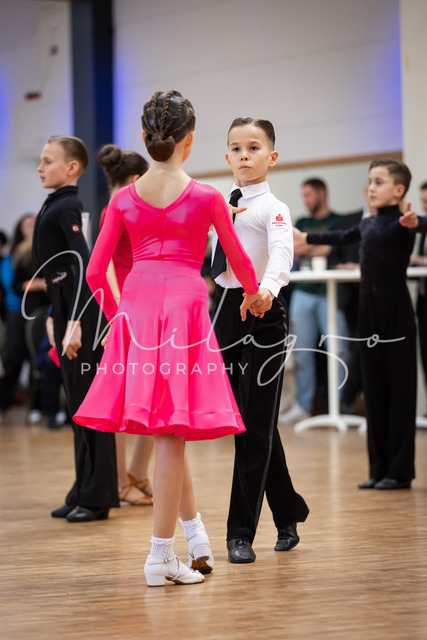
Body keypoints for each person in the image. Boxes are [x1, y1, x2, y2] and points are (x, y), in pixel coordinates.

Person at [74, 90, 262, 586]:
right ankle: (160, 556)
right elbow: (239, 261)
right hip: (184, 309)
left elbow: (94, 273)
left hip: (138, 308)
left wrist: (118, 319)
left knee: (168, 432)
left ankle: (195, 537)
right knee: (171, 434)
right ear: (189, 141)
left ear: (144, 137)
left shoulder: (122, 200)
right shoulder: (207, 197)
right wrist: (255, 295)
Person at [211, 117, 309, 564]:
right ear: (227, 156)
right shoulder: (219, 205)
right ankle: (288, 510)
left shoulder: (275, 207)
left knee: (253, 423)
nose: (244, 155)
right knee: (250, 421)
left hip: (264, 314)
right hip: (226, 315)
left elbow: (282, 252)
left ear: (272, 157)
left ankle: (240, 532)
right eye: (236, 148)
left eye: (253, 148)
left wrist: (266, 290)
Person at [294, 158, 418, 490]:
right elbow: (339, 236)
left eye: (379, 182)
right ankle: (378, 469)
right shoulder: (367, 224)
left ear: (399, 190)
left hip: (395, 311)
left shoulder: (403, 222)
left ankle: (399, 471)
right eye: (370, 181)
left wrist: (416, 220)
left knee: (399, 389)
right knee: (374, 388)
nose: (371, 188)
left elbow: (420, 224)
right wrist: (304, 235)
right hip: (368, 309)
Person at [33, 135, 119, 521]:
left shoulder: (69, 204)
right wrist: (55, 314)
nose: (40, 168)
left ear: (72, 168)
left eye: (48, 161)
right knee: (78, 408)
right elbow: (59, 272)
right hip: (66, 308)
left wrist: (75, 322)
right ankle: (82, 488)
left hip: (82, 316)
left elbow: (83, 264)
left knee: (90, 407)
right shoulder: (56, 202)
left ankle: (98, 496)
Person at [98, 143, 153, 506]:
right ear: (135, 179)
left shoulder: (134, 207)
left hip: (144, 305)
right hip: (123, 308)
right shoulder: (114, 208)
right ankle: (120, 482)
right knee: (121, 398)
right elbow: (102, 264)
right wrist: (117, 311)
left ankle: (137, 471)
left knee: (153, 392)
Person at [281, 178, 349, 422]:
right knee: (301, 351)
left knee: (340, 350)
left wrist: (309, 245)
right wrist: (317, 246)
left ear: (322, 193)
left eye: (309, 195)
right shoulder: (302, 223)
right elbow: (293, 248)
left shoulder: (338, 221)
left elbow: (331, 249)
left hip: (330, 293)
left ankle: (341, 404)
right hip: (303, 291)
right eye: (303, 196)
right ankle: (303, 405)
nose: (306, 200)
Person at [0, 214, 41, 420]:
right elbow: (12, 285)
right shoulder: (13, 256)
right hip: (15, 311)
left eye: (35, 224)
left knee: (36, 361)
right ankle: (3, 403)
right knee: (14, 359)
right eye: (28, 224)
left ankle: (36, 407)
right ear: (20, 229)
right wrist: (37, 284)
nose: (32, 228)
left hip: (36, 312)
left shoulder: (42, 250)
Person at [408, 181, 427, 415]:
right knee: (424, 356)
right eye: (423, 202)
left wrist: (420, 261)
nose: (424, 206)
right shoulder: (421, 227)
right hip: (423, 299)